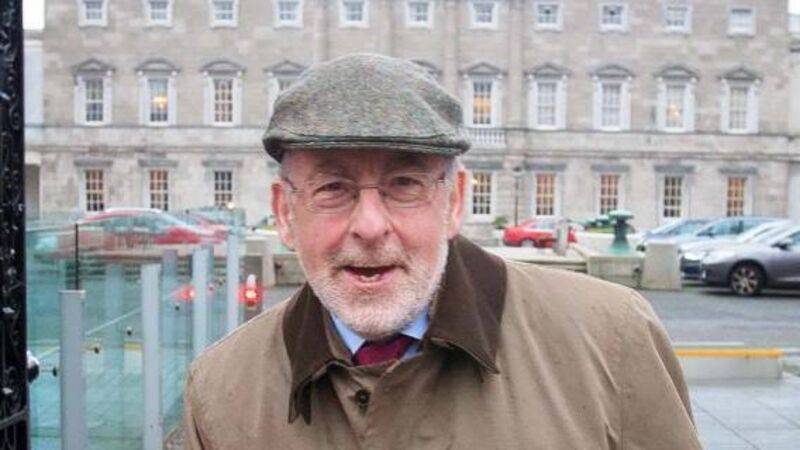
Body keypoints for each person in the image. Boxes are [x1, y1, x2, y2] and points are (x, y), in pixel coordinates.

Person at [183, 53, 702, 449]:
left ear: (454, 202)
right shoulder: (220, 388)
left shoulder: (612, 338)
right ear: (284, 213)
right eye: (332, 188)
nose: (370, 226)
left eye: (404, 184)